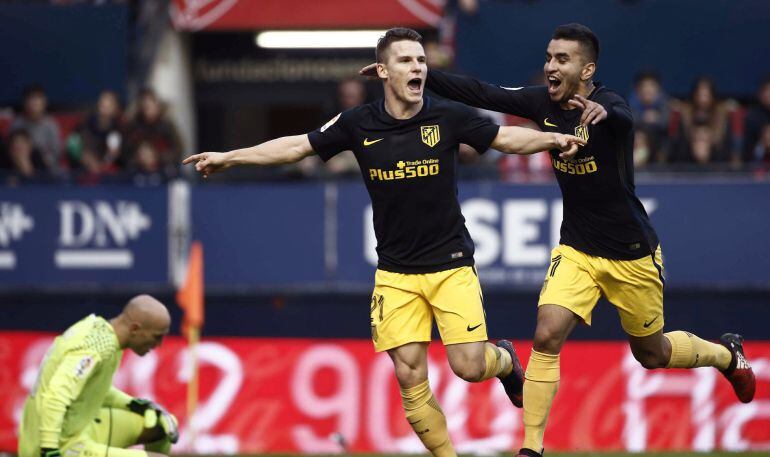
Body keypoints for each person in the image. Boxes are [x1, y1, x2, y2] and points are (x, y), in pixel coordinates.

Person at [185, 27, 585, 457]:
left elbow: (505, 139)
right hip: (395, 274)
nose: (417, 68)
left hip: (450, 265)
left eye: (421, 61)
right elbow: (297, 146)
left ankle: (504, 359)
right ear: (382, 71)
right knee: (410, 378)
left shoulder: (447, 117)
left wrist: (552, 139)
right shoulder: (357, 122)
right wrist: (230, 157)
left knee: (469, 366)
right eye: (406, 61)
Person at [384, 23, 758, 457]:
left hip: (631, 253)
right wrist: (421, 73)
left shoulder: (609, 105)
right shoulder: (541, 102)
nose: (550, 66)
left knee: (652, 354)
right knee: (546, 333)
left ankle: (725, 355)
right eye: (548, 57)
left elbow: (622, 116)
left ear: (587, 68)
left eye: (562, 59)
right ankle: (532, 449)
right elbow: (483, 93)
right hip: (577, 248)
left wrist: (606, 114)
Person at [18, 295, 178, 457]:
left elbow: (91, 389)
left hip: (80, 427)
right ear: (135, 329)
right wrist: (49, 450)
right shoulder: (96, 347)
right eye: (157, 336)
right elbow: (55, 396)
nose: (159, 344)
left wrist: (134, 404)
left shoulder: (104, 334)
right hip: (62, 443)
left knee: (162, 427)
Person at [10, 85, 62, 174]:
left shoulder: (50, 125)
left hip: (46, 169)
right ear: (25, 102)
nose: (33, 103)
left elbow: (56, 152)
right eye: (30, 99)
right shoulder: (17, 124)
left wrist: (44, 161)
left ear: (44, 102)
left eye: (37, 99)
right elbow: (11, 151)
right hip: (19, 168)